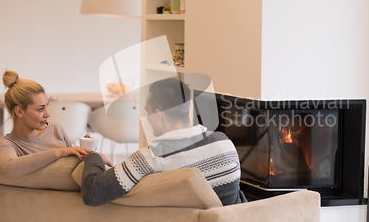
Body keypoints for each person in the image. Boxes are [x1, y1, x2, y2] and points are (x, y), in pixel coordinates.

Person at [82, 77, 246, 206]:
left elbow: (92, 193)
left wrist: (93, 156)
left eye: (147, 111)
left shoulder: (148, 158)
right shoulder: (224, 144)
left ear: (158, 115)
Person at [0, 70, 112, 177]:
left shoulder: (55, 129)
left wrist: (89, 156)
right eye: (40, 109)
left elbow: (72, 168)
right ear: (19, 111)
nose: (47, 114)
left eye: (46, 107)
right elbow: (10, 168)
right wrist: (59, 152)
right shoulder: (5, 145)